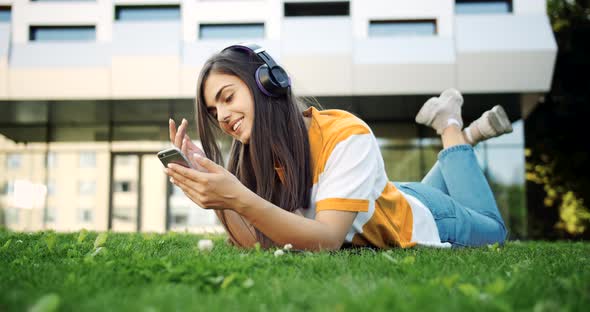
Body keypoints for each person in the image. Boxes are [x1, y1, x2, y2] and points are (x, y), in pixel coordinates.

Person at [164, 43, 512, 251]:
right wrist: (218, 197)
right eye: (214, 111)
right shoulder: (253, 156)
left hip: (426, 218)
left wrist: (236, 196)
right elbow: (258, 242)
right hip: (375, 198)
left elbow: (327, 238)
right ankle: (468, 137)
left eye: (227, 98)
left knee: (495, 231)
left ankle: (450, 125)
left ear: (268, 84)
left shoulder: (345, 133)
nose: (222, 116)